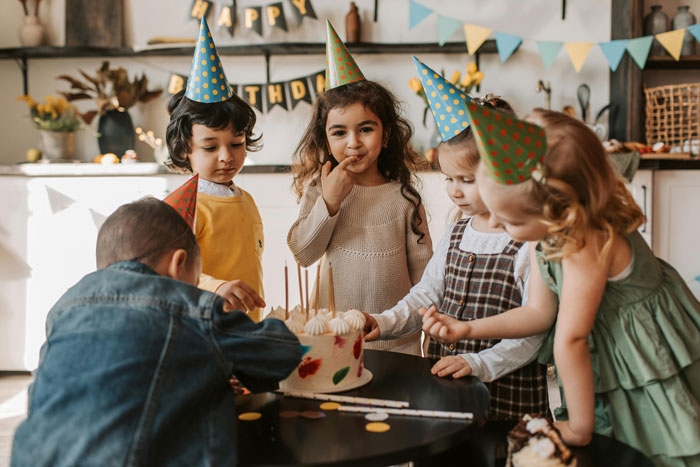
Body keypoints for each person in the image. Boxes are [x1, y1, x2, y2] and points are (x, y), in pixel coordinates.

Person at [421, 104, 700, 466]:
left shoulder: (584, 242)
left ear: (555, 208)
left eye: (509, 222)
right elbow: (538, 314)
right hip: (612, 351)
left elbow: (571, 339)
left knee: (648, 444)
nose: (502, 229)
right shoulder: (560, 226)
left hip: (643, 356)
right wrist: (470, 328)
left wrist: (579, 427)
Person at [10, 197, 301, 467]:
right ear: (178, 264)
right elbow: (279, 354)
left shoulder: (65, 307)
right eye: (196, 279)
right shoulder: (189, 307)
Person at [365, 61, 549, 421]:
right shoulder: (458, 232)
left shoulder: (529, 240)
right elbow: (427, 296)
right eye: (448, 179)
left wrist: (477, 363)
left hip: (507, 397)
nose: (454, 192)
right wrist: (383, 322)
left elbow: (533, 332)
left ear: (502, 170)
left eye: (465, 179)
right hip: (446, 391)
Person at [287, 22, 433, 355]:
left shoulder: (404, 197)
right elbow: (303, 253)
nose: (353, 143)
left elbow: (426, 276)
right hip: (331, 340)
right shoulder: (319, 188)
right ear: (325, 139)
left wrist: (429, 329)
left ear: (387, 135)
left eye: (365, 129)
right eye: (339, 133)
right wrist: (330, 203)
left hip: (396, 343)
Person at [165, 16, 266, 321]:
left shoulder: (246, 200)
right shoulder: (184, 205)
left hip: (247, 324)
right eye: (210, 147)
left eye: (236, 144)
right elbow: (168, 271)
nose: (227, 157)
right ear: (185, 148)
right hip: (203, 325)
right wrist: (215, 286)